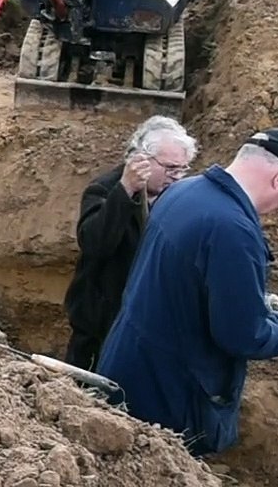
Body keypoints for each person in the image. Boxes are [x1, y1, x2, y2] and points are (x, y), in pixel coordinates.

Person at [94, 128, 278, 458]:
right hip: (168, 405)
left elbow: (185, 284)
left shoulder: (184, 191)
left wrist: (250, 301)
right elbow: (242, 335)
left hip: (128, 372)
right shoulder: (233, 229)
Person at [62, 115, 197, 371]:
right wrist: (126, 191)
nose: (177, 177)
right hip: (100, 322)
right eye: (170, 168)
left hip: (149, 322)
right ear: (141, 159)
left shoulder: (178, 197)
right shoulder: (105, 189)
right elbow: (95, 243)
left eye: (183, 169)